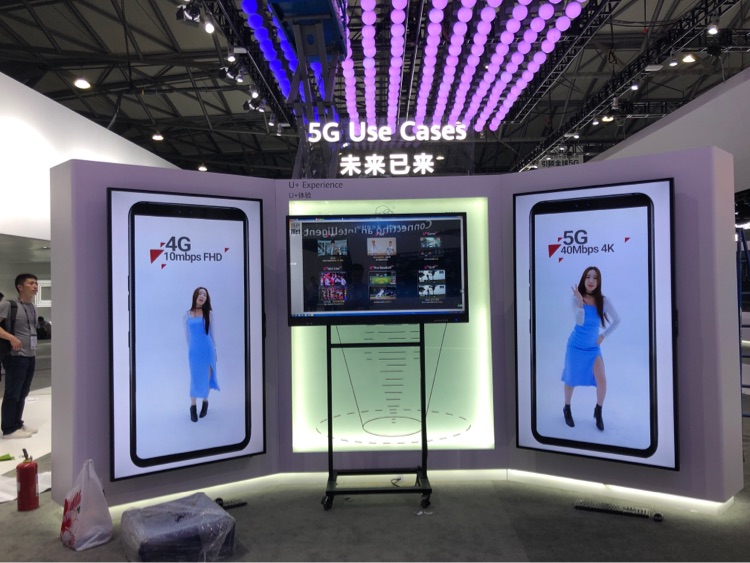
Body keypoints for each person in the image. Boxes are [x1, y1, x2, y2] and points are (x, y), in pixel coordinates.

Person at [561, 266, 620, 431]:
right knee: (571, 379)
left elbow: (617, 320)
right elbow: (579, 322)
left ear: (599, 281)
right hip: (575, 346)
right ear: (583, 279)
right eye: (588, 277)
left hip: (593, 348)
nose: (591, 280)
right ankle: (567, 408)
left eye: (595, 277)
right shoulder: (576, 299)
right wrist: (580, 302)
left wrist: (603, 336)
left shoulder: (604, 301)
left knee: (602, 381)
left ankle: (598, 411)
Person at [0, 274, 40, 439]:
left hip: (30, 355)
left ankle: (17, 423)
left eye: (36, 283)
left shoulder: (32, 307)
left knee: (23, 392)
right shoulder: (8, 305)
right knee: (13, 392)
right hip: (15, 355)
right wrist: (11, 337)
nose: (35, 286)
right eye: (31, 283)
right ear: (20, 287)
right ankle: (8, 429)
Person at [184, 287, 219, 423]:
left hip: (207, 350)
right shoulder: (186, 315)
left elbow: (213, 334)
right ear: (195, 296)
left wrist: (215, 351)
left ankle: (205, 402)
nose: (202, 295)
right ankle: (193, 406)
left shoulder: (209, 314)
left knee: (207, 377)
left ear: (206, 299)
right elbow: (187, 337)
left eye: (205, 294)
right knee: (194, 378)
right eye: (200, 293)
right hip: (194, 352)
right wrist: (191, 350)